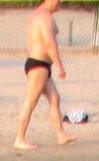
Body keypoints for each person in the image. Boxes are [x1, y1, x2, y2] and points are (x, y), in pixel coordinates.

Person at [14, 0, 76, 150]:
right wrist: (60, 66)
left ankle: (61, 135)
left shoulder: (40, 15)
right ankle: (19, 138)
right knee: (30, 102)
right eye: (57, 0)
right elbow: (49, 42)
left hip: (42, 65)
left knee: (55, 98)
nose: (60, 2)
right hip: (38, 65)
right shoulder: (43, 16)